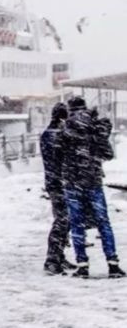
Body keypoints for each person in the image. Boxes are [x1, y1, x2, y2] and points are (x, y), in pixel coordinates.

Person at [59, 96, 125, 279]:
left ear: (70, 109)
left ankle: (83, 266)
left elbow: (57, 155)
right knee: (104, 223)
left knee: (77, 224)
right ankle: (113, 265)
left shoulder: (65, 128)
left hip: (72, 183)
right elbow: (108, 154)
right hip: (93, 181)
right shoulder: (96, 127)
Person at [40, 102, 75, 275]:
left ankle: (59, 256)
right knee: (62, 221)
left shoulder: (49, 134)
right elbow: (62, 159)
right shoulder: (55, 136)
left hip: (55, 183)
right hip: (59, 184)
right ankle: (52, 260)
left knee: (63, 220)